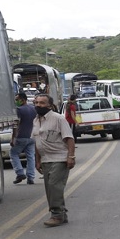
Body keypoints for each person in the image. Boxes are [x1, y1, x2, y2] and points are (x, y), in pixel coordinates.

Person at [32, 94, 76, 227]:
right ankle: (62, 214)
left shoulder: (58, 119)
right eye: (37, 102)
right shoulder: (36, 120)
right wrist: (37, 160)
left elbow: (69, 139)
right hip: (45, 159)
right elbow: (36, 142)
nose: (39, 105)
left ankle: (57, 215)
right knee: (49, 188)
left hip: (59, 157)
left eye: (42, 103)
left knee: (54, 186)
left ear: (49, 105)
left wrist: (71, 157)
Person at [11, 92, 37, 184]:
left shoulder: (19, 110)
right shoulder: (34, 109)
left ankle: (20, 173)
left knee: (13, 154)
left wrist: (13, 138)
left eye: (17, 99)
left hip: (21, 136)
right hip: (32, 136)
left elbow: (15, 124)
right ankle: (31, 177)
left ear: (23, 99)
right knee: (30, 157)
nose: (16, 101)